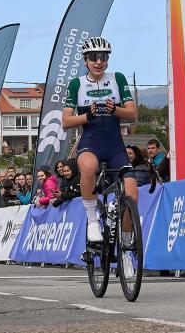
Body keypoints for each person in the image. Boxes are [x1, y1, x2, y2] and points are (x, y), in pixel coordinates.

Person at [61, 36, 138, 248]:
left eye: (103, 57)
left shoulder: (117, 78)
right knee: (87, 166)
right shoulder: (77, 84)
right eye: (94, 57)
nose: (98, 62)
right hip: (91, 142)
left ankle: (126, 242)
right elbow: (66, 121)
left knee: (131, 192)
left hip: (115, 146)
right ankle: (92, 219)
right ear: (86, 60)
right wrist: (88, 116)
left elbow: (132, 114)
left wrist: (115, 109)